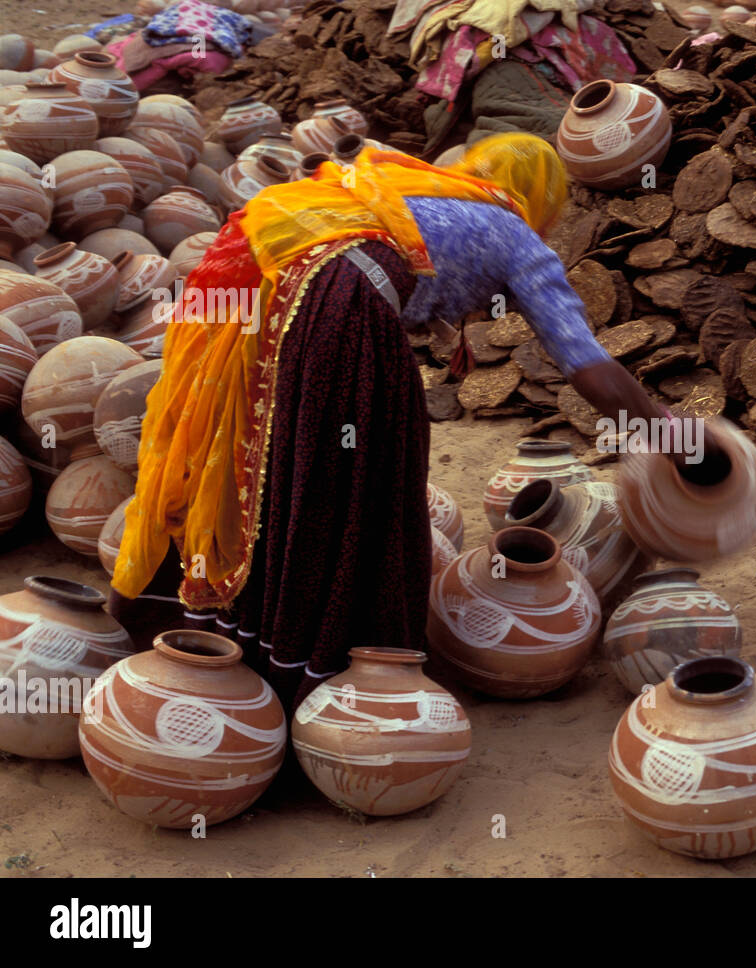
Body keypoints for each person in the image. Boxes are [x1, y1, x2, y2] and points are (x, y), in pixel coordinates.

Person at [110, 133, 670, 711]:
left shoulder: (416, 189)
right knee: (363, 487)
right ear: (542, 199)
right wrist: (666, 431)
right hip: (341, 307)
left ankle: (199, 631)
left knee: (264, 465)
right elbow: (583, 361)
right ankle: (319, 671)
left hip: (266, 294)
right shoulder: (516, 234)